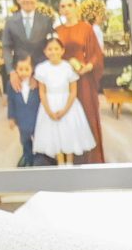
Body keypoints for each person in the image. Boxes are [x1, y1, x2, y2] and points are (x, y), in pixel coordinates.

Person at [53, 0, 106, 164]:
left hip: (83, 79)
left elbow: (96, 53)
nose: (66, 9)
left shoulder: (86, 28)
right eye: (62, 6)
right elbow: (52, 53)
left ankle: (90, 158)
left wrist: (88, 67)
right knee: (67, 117)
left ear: (75, 7)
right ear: (59, 10)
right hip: (63, 81)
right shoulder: (57, 31)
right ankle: (70, 159)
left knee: (86, 114)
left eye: (69, 5)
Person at [32, 35, 95, 165]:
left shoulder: (68, 67)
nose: (53, 52)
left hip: (68, 104)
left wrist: (65, 110)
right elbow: (42, 91)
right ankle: (60, 163)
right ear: (45, 52)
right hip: (49, 104)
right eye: (50, 49)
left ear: (62, 50)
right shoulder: (42, 68)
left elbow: (73, 91)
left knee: (68, 132)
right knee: (55, 133)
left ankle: (69, 163)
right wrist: (48, 111)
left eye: (56, 49)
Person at [0, 0, 52, 92]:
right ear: (18, 0)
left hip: (41, 73)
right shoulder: (10, 22)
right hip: (19, 74)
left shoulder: (46, 21)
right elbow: (6, 47)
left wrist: (38, 74)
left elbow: (50, 48)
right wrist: (12, 72)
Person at [6, 53, 47, 167]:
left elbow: (43, 98)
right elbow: (10, 101)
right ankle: (28, 157)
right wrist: (11, 118)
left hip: (36, 118)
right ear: (16, 69)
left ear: (32, 69)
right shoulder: (11, 84)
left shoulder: (37, 82)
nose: (23, 72)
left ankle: (40, 157)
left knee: (39, 138)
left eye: (27, 69)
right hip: (21, 118)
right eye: (20, 69)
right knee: (24, 140)